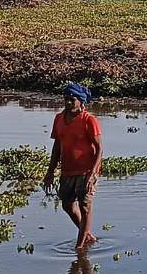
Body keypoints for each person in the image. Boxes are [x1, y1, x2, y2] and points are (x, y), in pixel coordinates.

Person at [43, 84, 103, 250]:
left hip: (85, 171)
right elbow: (57, 146)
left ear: (81, 101)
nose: (68, 102)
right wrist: (50, 172)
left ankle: (80, 246)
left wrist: (92, 174)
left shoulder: (89, 120)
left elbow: (99, 149)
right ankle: (88, 236)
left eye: (72, 99)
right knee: (67, 205)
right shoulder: (59, 119)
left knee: (85, 207)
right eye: (66, 99)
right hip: (67, 170)